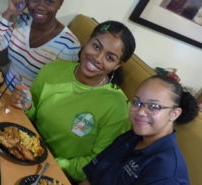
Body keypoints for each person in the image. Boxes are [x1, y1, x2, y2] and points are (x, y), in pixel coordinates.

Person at [11, 20, 136, 182]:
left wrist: (52, 163)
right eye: (96, 46)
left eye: (110, 57)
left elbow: (95, 164)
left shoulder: (117, 107)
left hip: (55, 175)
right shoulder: (53, 69)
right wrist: (27, 107)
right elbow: (31, 119)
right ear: (87, 42)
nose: (98, 58)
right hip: (21, 149)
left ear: (118, 65)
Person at [82, 75, 199, 185]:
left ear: (174, 113)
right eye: (137, 102)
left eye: (153, 106)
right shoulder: (132, 136)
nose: (140, 112)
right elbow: (92, 177)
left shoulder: (165, 172)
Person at [0, 0, 81, 90]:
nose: (40, 6)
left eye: (49, 1)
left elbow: (53, 92)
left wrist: (24, 101)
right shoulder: (21, 20)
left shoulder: (69, 45)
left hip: (24, 105)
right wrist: (10, 12)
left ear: (60, 3)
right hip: (1, 88)